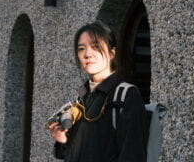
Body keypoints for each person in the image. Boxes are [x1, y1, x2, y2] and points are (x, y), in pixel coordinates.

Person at [48, 21, 149, 162]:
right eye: (81, 48)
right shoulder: (82, 97)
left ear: (112, 53)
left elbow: (134, 155)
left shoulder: (125, 96)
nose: (87, 54)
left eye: (95, 46)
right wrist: (63, 140)